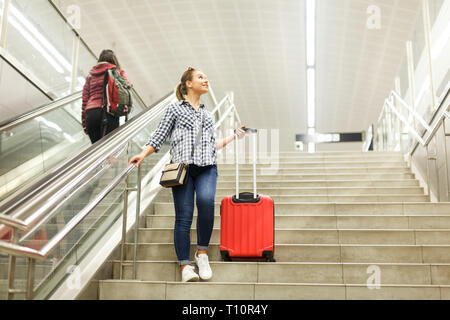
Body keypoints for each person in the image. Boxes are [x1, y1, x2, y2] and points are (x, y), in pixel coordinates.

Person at [129, 67, 247, 282]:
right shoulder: (174, 109)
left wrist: (233, 136)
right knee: (183, 217)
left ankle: (201, 253)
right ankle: (185, 266)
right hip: (182, 170)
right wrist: (143, 154)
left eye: (206, 77)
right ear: (188, 83)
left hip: (207, 167)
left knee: (205, 202)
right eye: (201, 77)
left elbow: (212, 145)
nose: (206, 80)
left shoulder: (207, 115)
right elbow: (159, 135)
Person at [82, 49, 130, 144]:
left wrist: (84, 123)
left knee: (96, 150)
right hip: (108, 113)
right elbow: (126, 92)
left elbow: (84, 100)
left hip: (90, 114)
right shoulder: (118, 73)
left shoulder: (90, 76)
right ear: (114, 60)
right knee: (108, 150)